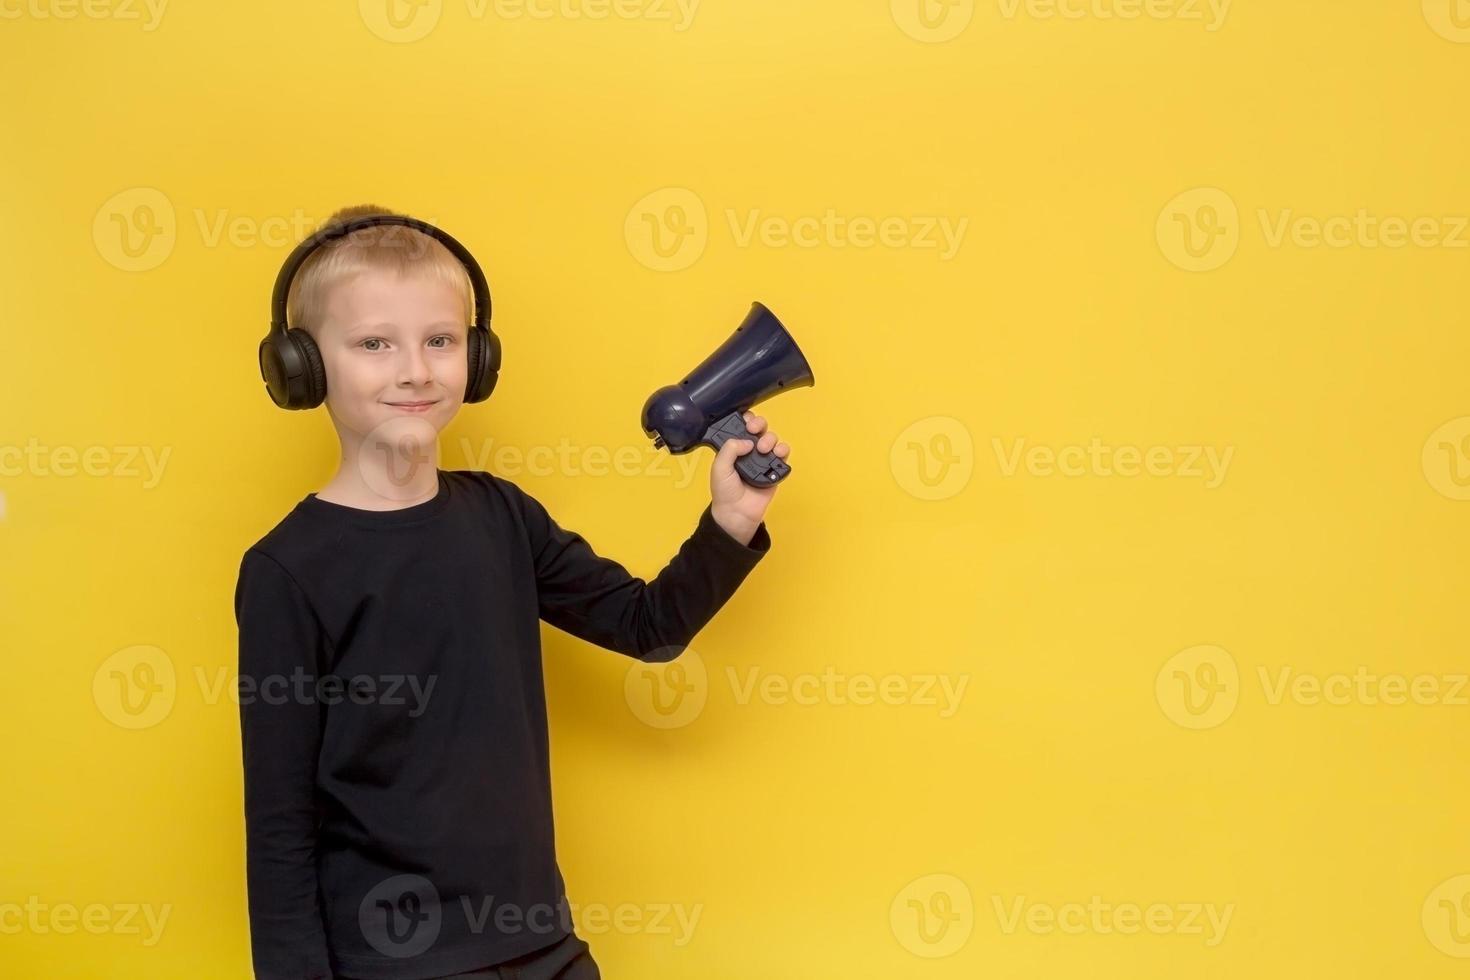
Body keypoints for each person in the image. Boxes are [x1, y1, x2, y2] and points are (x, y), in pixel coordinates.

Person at [235, 204, 789, 979]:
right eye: (373, 344)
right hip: (393, 962)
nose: (415, 370)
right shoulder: (286, 569)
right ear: (302, 365)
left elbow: (648, 627)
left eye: (441, 340)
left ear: (479, 357)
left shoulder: (501, 517)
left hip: (540, 942)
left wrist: (727, 522)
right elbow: (279, 823)